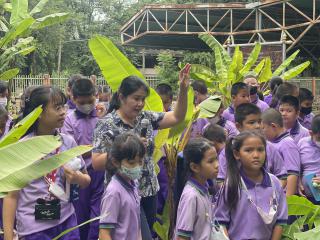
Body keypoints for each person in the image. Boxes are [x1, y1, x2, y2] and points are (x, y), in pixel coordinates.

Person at [92, 64, 191, 234]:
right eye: (136, 98)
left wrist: (182, 89)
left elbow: (177, 117)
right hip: (122, 192)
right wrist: (127, 147)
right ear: (122, 97)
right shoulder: (106, 124)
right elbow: (96, 163)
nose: (140, 104)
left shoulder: (146, 118)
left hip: (148, 189)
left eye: (143, 99)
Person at [3, 86, 91, 240]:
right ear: (39, 113)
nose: (63, 111)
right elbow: (11, 197)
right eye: (57, 108)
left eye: (63, 106)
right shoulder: (22, 148)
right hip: (33, 229)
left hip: (66, 221)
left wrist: (76, 178)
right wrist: (9, 236)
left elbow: (86, 180)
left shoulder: (68, 142)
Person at [214, 131, 288, 240]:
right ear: (237, 154)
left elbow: (280, 221)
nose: (256, 155)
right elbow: (220, 222)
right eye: (248, 150)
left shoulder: (274, 183)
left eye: (260, 150)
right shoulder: (232, 184)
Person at [61, 78, 105, 240]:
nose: (87, 105)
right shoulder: (69, 119)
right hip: (79, 173)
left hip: (100, 171)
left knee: (98, 214)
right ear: (73, 99)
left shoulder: (102, 115)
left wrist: (85, 148)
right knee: (80, 214)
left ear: (96, 95)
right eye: (82, 102)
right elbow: (72, 151)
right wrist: (97, 148)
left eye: (90, 101)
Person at [218, 103, 287, 186]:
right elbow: (220, 181)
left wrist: (271, 193)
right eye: (251, 122)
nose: (257, 126)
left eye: (259, 121)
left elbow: (282, 176)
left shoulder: (269, 147)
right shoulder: (228, 150)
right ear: (238, 126)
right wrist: (237, 194)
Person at [99, 132, 145, 240]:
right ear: (115, 162)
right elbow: (104, 233)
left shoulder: (134, 183)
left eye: (140, 162)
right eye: (131, 163)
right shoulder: (114, 192)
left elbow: (136, 224)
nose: (137, 167)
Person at [175, 138, 219, 240]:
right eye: (211, 161)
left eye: (216, 159)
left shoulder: (205, 188)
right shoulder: (191, 196)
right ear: (195, 167)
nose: (217, 165)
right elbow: (182, 237)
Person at [261, 108, 300, 196]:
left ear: (273, 126)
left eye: (263, 128)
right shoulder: (274, 143)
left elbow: (292, 174)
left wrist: (288, 202)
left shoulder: (287, 143)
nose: (262, 132)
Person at [298, 115, 320, 203]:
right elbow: (297, 167)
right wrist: (298, 183)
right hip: (306, 197)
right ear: (311, 133)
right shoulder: (302, 143)